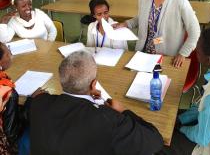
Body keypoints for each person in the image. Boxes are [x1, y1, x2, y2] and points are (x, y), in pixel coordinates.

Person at [30, 50, 163, 155]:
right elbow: (155, 141)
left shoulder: (38, 103)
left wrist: (40, 97)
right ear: (94, 84)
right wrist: (123, 111)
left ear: (61, 80)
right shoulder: (109, 119)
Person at [115, 0, 200, 68]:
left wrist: (183, 53)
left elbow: (195, 31)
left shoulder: (179, 1)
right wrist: (126, 24)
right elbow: (142, 17)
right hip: (143, 52)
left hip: (167, 55)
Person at [158, 27, 210, 155]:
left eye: (197, 51)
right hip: (207, 127)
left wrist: (181, 128)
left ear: (208, 60)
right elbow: (201, 108)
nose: (194, 51)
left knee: (157, 140)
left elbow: (203, 138)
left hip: (206, 147)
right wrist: (181, 119)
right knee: (168, 118)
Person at [0, 42, 45, 155]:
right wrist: (31, 100)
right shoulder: (7, 92)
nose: (11, 54)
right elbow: (12, 133)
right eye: (8, 53)